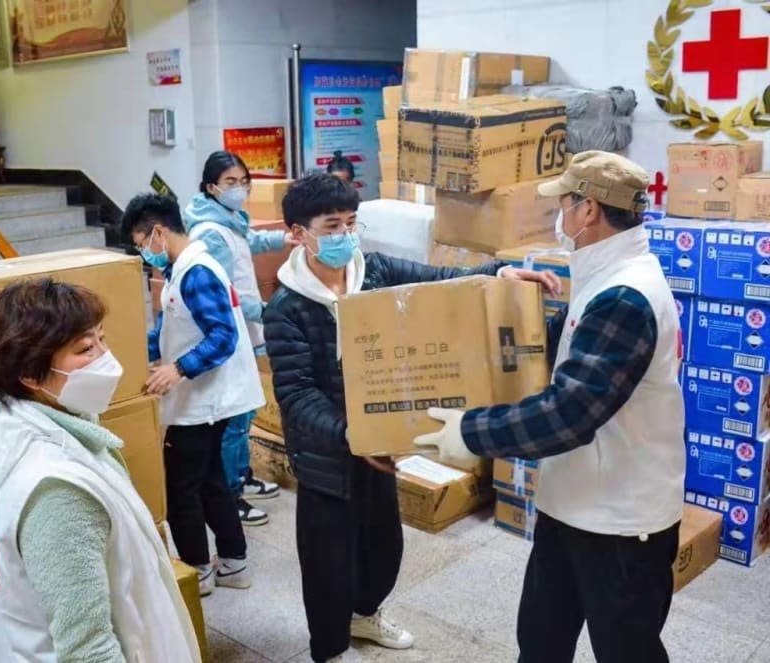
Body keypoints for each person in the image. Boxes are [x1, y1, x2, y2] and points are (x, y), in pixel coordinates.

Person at [262, 173, 559, 662]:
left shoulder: (372, 271)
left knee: (382, 546)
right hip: (327, 455)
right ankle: (330, 647)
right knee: (327, 562)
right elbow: (296, 395)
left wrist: (497, 274)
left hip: (381, 444)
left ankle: (365, 615)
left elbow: (442, 282)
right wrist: (352, 435)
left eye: (351, 223)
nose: (344, 235)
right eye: (331, 225)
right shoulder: (287, 308)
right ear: (298, 233)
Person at [416, 151, 685, 663]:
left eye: (563, 205)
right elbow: (566, 363)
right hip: (573, 504)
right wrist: (507, 294)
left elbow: (568, 414)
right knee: (541, 638)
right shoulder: (604, 276)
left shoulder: (627, 295)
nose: (556, 219)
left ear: (588, 212)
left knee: (627, 649)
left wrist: (470, 433)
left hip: (620, 524)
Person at [0, 278, 200, 662]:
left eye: (102, 340)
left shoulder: (7, 432)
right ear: (29, 374)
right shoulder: (57, 489)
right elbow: (86, 648)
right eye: (86, 349)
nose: (105, 357)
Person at [122, 192, 264, 596]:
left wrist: (178, 369)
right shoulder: (180, 270)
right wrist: (137, 354)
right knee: (210, 481)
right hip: (203, 399)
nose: (143, 252)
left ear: (159, 232)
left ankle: (198, 572)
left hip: (204, 402)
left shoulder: (197, 271)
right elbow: (171, 331)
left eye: (141, 243)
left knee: (183, 487)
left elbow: (223, 336)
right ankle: (234, 563)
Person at [184, 150, 287, 527]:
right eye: (231, 183)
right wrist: (270, 311)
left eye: (244, 181)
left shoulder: (227, 220)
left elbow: (247, 244)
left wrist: (283, 238)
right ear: (212, 187)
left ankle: (241, 475)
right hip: (231, 334)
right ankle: (230, 494)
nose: (240, 189)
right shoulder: (208, 233)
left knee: (245, 410)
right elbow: (228, 295)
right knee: (235, 417)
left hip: (245, 331)